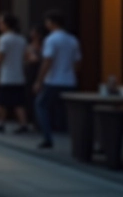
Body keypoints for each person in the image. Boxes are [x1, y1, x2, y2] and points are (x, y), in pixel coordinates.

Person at [34, 10, 81, 150]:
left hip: (53, 80)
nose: (46, 24)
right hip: (69, 80)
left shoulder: (51, 39)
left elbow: (47, 61)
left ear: (52, 23)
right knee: (69, 111)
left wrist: (39, 80)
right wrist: (72, 74)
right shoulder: (73, 39)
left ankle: (47, 137)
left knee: (41, 105)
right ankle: (75, 137)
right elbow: (78, 62)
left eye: (47, 21)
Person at [0, 12, 29, 134]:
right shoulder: (21, 39)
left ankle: (1, 123)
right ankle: (23, 124)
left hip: (6, 75)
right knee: (18, 102)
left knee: (0, 102)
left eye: (1, 23)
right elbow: (26, 56)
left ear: (6, 24)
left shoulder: (3, 40)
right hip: (19, 75)